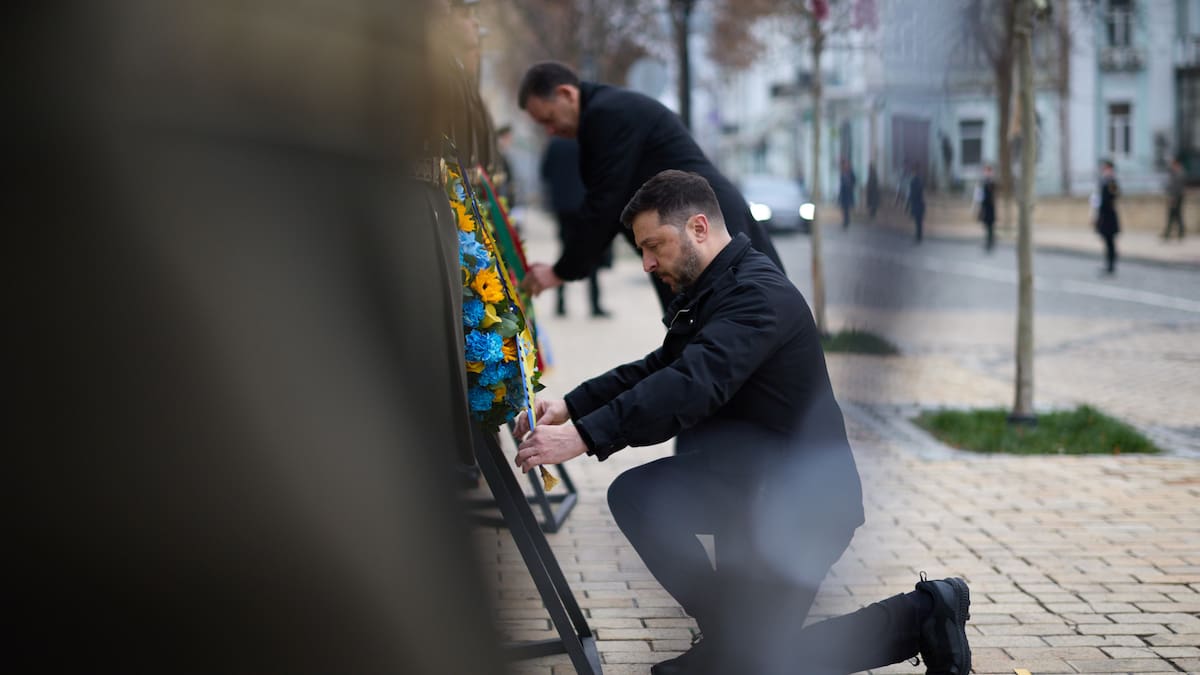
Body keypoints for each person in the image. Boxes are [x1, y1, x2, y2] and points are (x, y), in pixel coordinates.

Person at [512, 170, 972, 675]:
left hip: (803, 505)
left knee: (760, 663)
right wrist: (572, 407)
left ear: (699, 228)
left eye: (653, 246)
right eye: (641, 250)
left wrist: (583, 437)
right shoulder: (716, 287)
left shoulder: (758, 295)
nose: (647, 263)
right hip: (748, 487)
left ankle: (922, 612)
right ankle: (737, 641)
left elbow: (692, 383)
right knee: (637, 496)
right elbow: (662, 366)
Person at [516, 61, 783, 311]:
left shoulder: (606, 114)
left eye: (549, 119)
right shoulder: (606, 110)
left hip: (707, 231)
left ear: (566, 93)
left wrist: (560, 271)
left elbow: (605, 203)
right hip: (698, 226)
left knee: (731, 320)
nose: (550, 131)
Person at [541, 137, 610, 317]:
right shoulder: (589, 142)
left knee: (565, 250)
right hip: (586, 205)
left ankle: (560, 304)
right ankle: (595, 304)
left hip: (563, 207)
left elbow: (545, 172)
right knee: (590, 253)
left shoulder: (555, 144)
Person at [1096, 160, 1121, 274]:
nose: (1104, 170)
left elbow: (1114, 195)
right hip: (1104, 215)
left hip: (1109, 215)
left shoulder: (1111, 181)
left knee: (1110, 241)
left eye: (1106, 168)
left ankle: (1111, 264)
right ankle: (1108, 263)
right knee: (1106, 240)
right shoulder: (1104, 181)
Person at [975, 164, 997, 251]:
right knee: (986, 224)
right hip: (985, 206)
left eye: (988, 171)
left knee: (990, 224)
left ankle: (991, 240)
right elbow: (979, 194)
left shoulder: (992, 182)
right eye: (986, 171)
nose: (987, 173)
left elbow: (993, 193)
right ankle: (988, 240)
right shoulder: (983, 182)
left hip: (990, 206)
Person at [1163, 157, 1185, 240]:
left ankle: (1173, 232)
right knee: (1174, 215)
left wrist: (1173, 197)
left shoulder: (1179, 173)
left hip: (1176, 197)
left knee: (1175, 214)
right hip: (1175, 197)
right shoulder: (1175, 173)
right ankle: (1172, 232)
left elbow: (1177, 187)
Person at [908, 165, 926, 243]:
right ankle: (919, 236)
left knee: (918, 222)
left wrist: (910, 200)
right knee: (919, 222)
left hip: (917, 204)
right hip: (920, 204)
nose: (912, 173)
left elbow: (914, 193)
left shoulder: (914, 181)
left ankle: (918, 237)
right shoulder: (919, 180)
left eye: (913, 172)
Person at [838, 159, 857, 229]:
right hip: (844, 195)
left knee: (847, 209)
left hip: (848, 194)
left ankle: (847, 221)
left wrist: (850, 186)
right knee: (844, 209)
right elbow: (841, 186)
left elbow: (854, 181)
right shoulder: (843, 173)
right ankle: (845, 221)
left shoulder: (850, 173)